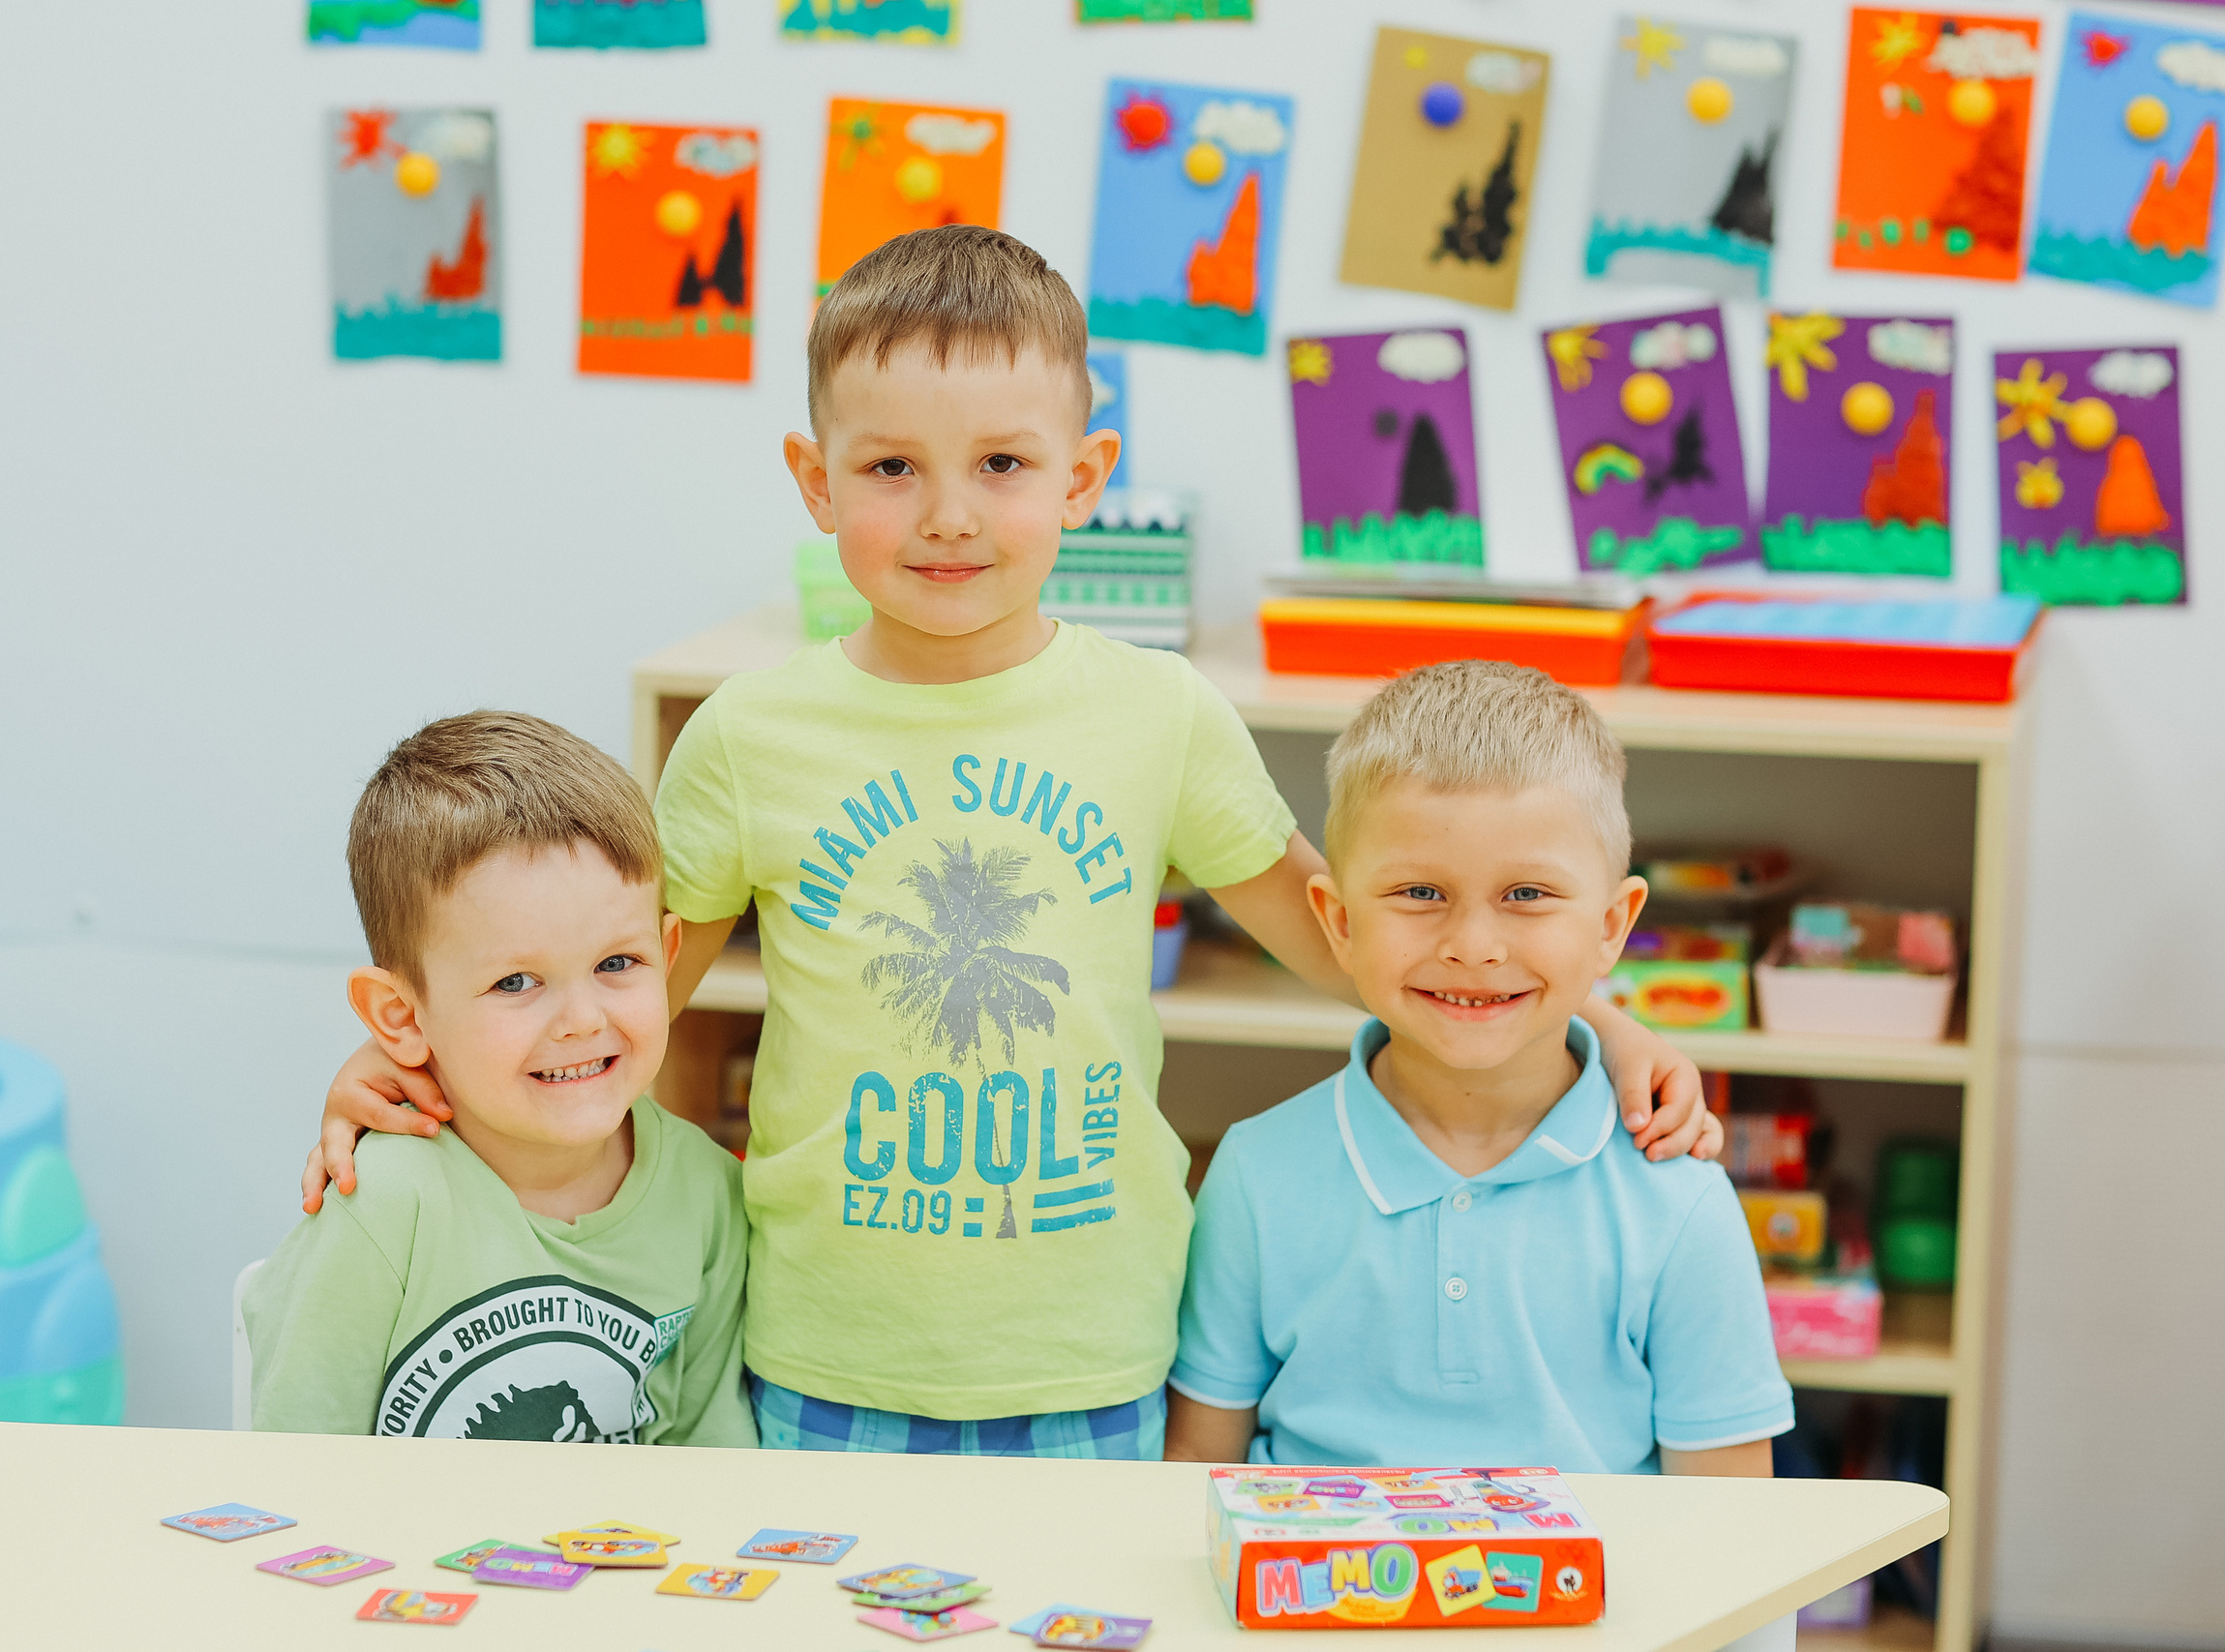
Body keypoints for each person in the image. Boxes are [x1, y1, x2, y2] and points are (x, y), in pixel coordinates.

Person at [297, 225, 1721, 1458]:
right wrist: (421, 1066)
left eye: (1001, 462)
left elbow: (1358, 936)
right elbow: (607, 998)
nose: (951, 514)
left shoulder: (1161, 713)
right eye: (893, 467)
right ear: (814, 477)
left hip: (1096, 1359)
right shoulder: (744, 735)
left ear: (1084, 473)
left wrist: (1601, 1021)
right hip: (817, 1357)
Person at [1166, 661, 1792, 1476]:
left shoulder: (1679, 1203)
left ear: (1613, 925)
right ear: (1338, 921)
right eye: (1421, 891)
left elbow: (1731, 1525)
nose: (1473, 944)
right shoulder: (1255, 1175)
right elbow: (1194, 1466)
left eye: (1527, 894)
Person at [243, 711, 753, 1446]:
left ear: (667, 954)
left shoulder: (708, 1196)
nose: (581, 1019)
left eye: (617, 963)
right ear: (400, 1015)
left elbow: (712, 1468)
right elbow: (297, 1457)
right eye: (517, 980)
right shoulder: (380, 1202)